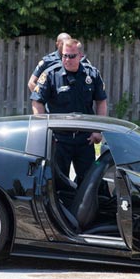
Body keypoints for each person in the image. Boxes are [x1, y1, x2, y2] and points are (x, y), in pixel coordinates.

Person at [31, 38, 107, 184]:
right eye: (64, 55)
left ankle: (84, 207)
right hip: (59, 139)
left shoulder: (92, 74)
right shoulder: (51, 75)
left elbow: (101, 101)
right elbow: (37, 101)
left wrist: (97, 130)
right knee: (58, 182)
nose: (67, 59)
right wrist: (44, 130)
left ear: (80, 56)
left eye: (71, 56)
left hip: (85, 139)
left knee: (89, 182)